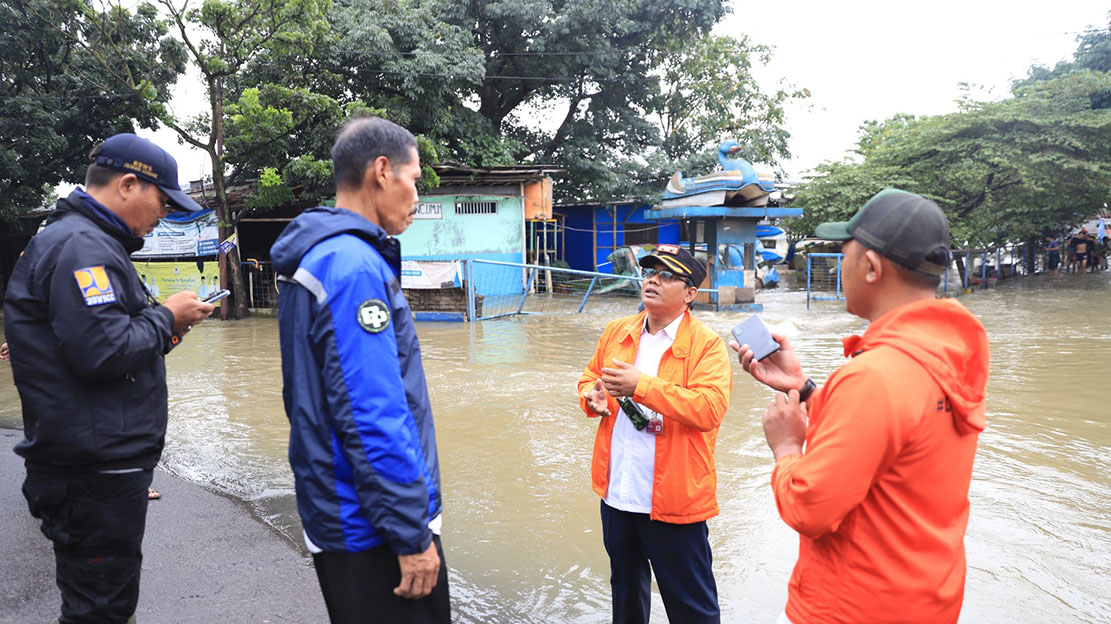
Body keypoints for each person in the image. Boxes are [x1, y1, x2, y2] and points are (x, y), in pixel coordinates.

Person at [732, 189, 989, 624]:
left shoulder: (873, 376)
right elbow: (896, 440)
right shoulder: (946, 355)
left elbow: (810, 508)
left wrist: (787, 446)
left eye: (843, 251)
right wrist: (805, 388)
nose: (840, 262)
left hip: (850, 607)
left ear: (869, 266)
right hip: (925, 600)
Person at [3, 133, 214, 623]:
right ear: (127, 185)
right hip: (93, 472)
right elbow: (103, 351)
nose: (164, 214)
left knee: (101, 607)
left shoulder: (83, 241)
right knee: (100, 611)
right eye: (162, 201)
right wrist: (165, 316)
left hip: (93, 465)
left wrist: (167, 327)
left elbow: (99, 343)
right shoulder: (82, 246)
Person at [270, 117, 449, 624]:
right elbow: (372, 415)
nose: (415, 196)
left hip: (348, 513)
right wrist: (412, 534)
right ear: (382, 171)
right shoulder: (352, 267)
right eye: (414, 180)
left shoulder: (322, 259)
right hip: (374, 529)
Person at [577, 245, 732, 624]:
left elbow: (709, 410)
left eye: (666, 276)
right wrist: (591, 397)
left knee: (691, 605)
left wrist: (641, 386)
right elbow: (588, 378)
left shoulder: (706, 345)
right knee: (626, 595)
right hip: (618, 495)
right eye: (649, 272)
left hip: (674, 501)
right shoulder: (618, 331)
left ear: (690, 293)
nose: (653, 280)